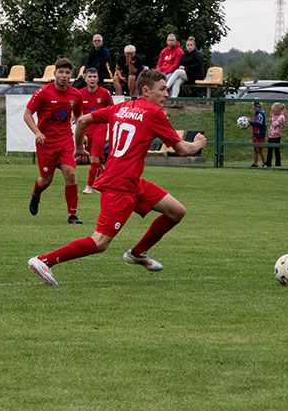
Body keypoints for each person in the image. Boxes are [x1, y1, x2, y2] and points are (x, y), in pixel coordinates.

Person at [27, 69, 207, 286]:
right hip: (120, 185)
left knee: (176, 211)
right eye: (162, 89)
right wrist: (198, 143)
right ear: (146, 91)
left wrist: (78, 148)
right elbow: (181, 150)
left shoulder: (121, 107)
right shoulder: (154, 113)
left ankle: (138, 253)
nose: (166, 94)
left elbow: (83, 120)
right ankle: (44, 261)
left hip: (131, 182)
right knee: (100, 241)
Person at [24, 57, 84, 224]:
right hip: (46, 142)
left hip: (65, 140)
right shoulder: (43, 93)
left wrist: (81, 130)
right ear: (55, 73)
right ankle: (36, 194)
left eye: (67, 73)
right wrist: (37, 132)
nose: (64, 75)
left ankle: (72, 215)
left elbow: (79, 115)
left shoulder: (75, 95)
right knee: (46, 180)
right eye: (61, 72)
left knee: (70, 174)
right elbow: (27, 114)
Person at [78, 67, 114, 193]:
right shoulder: (80, 94)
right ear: (85, 78)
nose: (92, 79)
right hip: (87, 129)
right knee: (95, 160)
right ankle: (104, 183)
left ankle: (89, 186)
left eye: (94, 77)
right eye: (90, 77)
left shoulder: (104, 93)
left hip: (100, 127)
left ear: (98, 78)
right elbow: (77, 112)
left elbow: (112, 110)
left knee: (93, 158)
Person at [264, 102, 285, 168]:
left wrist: (272, 118)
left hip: (277, 136)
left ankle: (278, 164)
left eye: (273, 110)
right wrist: (272, 117)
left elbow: (274, 124)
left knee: (276, 150)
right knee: (269, 150)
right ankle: (268, 164)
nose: (272, 112)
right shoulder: (274, 116)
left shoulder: (281, 117)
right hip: (271, 135)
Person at [249, 101, 266, 167]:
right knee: (255, 149)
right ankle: (255, 163)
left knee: (260, 149)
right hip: (256, 133)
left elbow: (258, 123)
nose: (252, 107)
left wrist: (250, 122)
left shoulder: (261, 113)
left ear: (256, 106)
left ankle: (264, 163)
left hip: (260, 134)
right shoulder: (257, 113)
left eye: (253, 105)